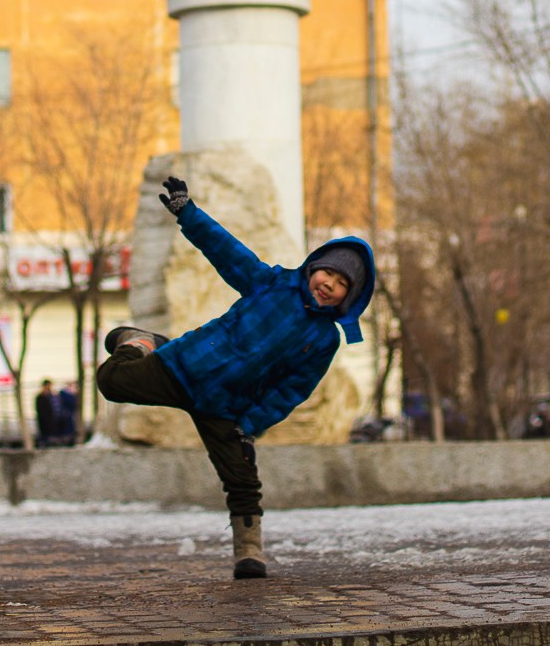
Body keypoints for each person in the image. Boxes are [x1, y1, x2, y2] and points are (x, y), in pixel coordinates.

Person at [97, 175, 374, 579]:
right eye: (327, 274)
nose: (329, 285)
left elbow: (292, 390)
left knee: (242, 479)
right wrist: (188, 214)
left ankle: (249, 551)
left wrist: (252, 424)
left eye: (341, 285)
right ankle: (142, 341)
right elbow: (227, 251)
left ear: (350, 297)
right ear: (313, 267)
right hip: (184, 365)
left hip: (227, 406)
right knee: (110, 380)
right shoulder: (271, 283)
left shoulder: (324, 339)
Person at [35, 378, 60, 447]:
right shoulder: (40, 397)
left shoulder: (51, 396)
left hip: (51, 419)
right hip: (44, 420)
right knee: (45, 435)